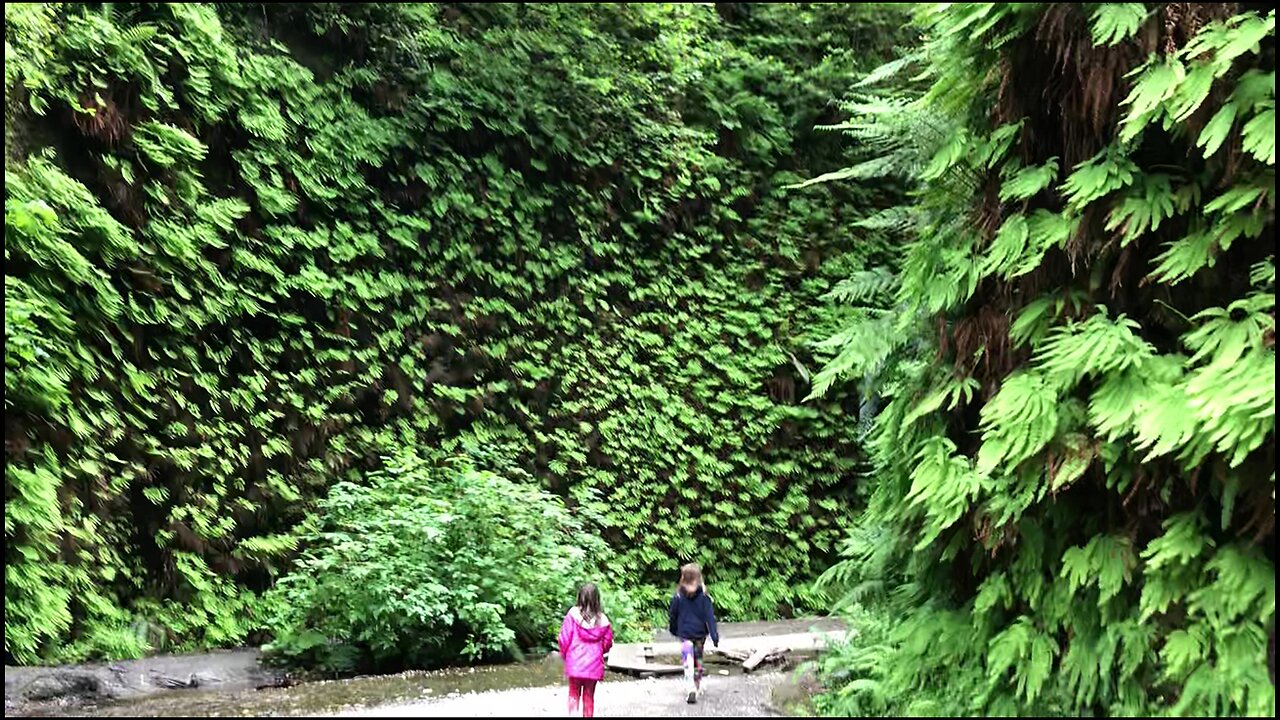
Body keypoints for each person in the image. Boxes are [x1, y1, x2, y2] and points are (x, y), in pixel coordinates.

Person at [559, 583, 614, 717]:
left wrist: (564, 654)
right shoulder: (604, 621)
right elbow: (607, 643)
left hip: (575, 663)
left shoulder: (572, 615)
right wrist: (600, 652)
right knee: (589, 697)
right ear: (597, 599)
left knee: (573, 694)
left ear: (580, 597)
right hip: (594, 666)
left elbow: (564, 638)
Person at [668, 563, 720, 704]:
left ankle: (690, 687)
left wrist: (673, 629)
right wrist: (714, 636)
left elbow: (673, 616)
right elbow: (710, 618)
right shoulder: (704, 598)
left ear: (683, 578)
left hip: (684, 634)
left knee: (687, 660)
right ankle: (697, 684)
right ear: (699, 578)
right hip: (699, 634)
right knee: (698, 660)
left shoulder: (678, 597)